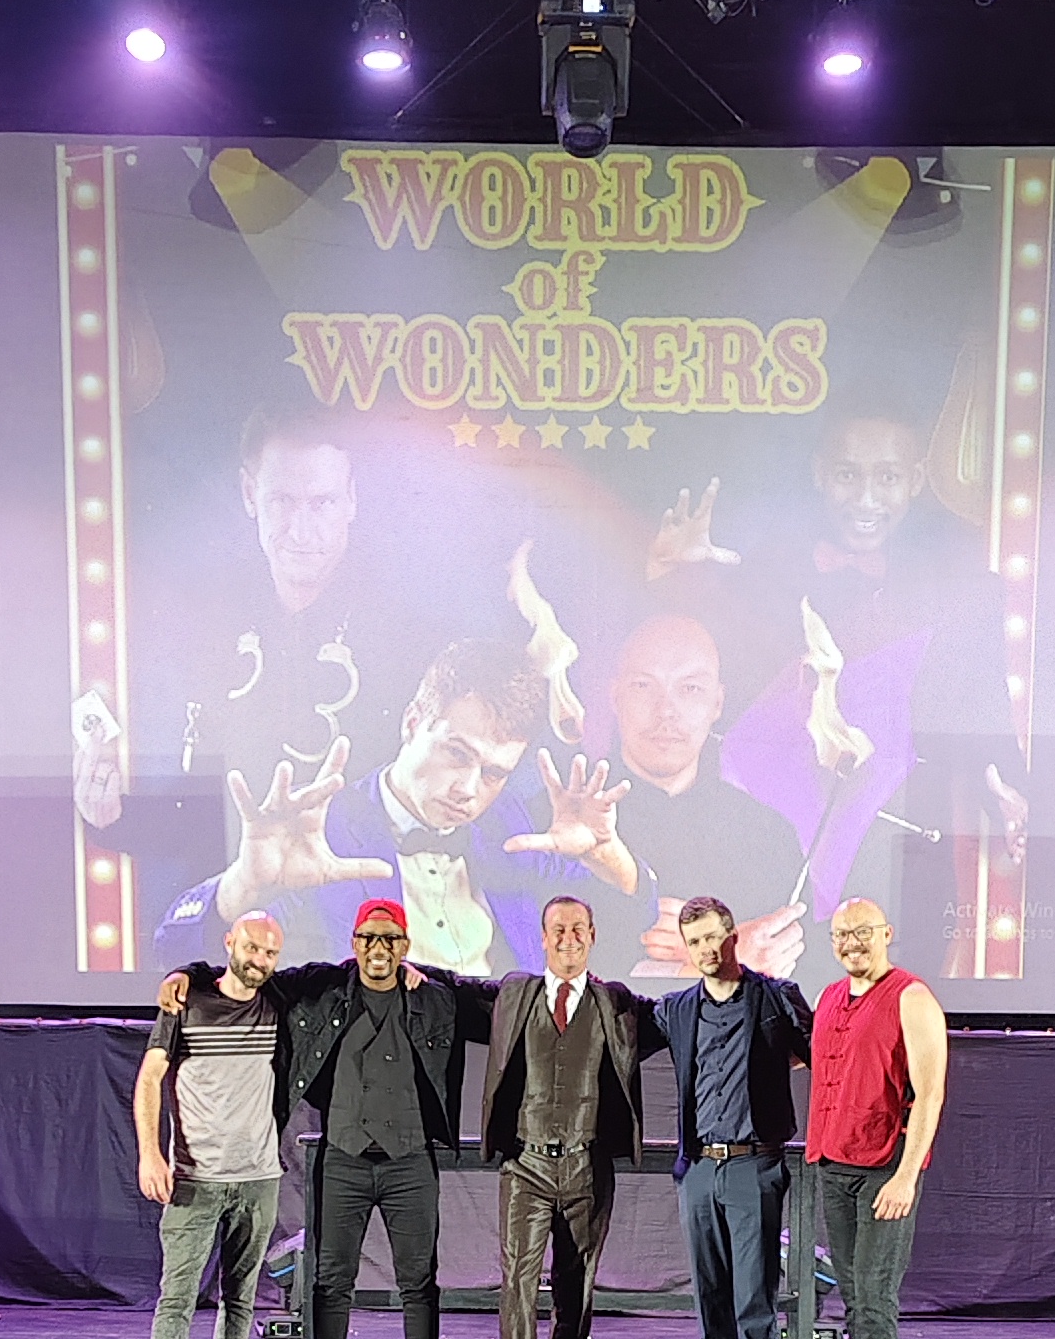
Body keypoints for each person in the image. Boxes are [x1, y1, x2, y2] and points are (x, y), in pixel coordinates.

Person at [79, 397, 401, 962]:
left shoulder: (402, 636)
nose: (301, 529)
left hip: (355, 946)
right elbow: (198, 819)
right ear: (251, 495)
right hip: (231, 946)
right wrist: (113, 820)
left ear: (352, 500)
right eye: (282, 501)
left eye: (322, 502)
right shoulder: (203, 627)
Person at [716, 406, 1027, 969]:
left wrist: (1006, 791)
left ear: (916, 478)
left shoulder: (960, 591)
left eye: (887, 477)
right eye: (847, 474)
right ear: (819, 473)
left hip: (900, 850)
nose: (866, 498)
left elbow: (985, 718)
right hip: (772, 846)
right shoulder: (763, 577)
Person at [155, 899, 473, 1339]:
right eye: (369, 938)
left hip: (409, 1159)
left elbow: (483, 996)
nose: (378, 948)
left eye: (390, 939)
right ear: (354, 943)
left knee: (418, 1281)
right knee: (330, 1280)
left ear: (405, 946)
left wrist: (426, 974)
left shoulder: (432, 998)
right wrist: (188, 971)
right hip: (342, 1156)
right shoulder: (322, 988)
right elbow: (251, 973)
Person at [161, 640, 570, 977]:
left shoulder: (510, 825)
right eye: (457, 753)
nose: (468, 789)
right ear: (413, 722)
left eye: (494, 773)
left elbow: (597, 912)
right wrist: (245, 885)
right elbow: (172, 952)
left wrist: (603, 860)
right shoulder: (323, 826)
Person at [476, 893, 667, 1339]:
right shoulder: (515, 995)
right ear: (542, 937)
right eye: (558, 929)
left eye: (578, 928)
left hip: (587, 1166)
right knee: (517, 1283)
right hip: (527, 1165)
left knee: (576, 1289)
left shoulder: (617, 1004)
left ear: (593, 936)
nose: (569, 938)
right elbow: (452, 989)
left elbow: (677, 1015)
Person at [561, 610, 808, 994]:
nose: (666, 711)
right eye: (644, 686)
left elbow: (792, 979)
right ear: (615, 696)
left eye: (690, 689)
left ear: (717, 703)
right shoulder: (564, 821)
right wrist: (710, 962)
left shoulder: (769, 835)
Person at [115, 912, 287, 1339]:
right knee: (177, 1298)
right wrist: (150, 1154)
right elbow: (150, 1078)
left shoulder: (277, 1002)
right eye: (252, 948)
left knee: (241, 1298)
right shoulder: (186, 1002)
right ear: (230, 942)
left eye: (270, 953)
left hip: (259, 1178)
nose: (260, 960)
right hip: (195, 1180)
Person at [657, 897, 814, 1339]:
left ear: (732, 938)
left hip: (754, 1162)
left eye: (711, 938)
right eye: (694, 941)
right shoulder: (676, 1009)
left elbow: (819, 1052)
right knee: (710, 1290)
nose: (704, 949)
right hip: (700, 1166)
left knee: (753, 1292)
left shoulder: (774, 997)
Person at [807, 895, 948, 1339]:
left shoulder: (911, 997)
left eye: (862, 932)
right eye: (841, 935)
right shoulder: (829, 998)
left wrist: (906, 1176)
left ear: (886, 933)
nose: (851, 944)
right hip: (834, 1167)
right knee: (854, 1299)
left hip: (884, 1171)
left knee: (873, 1300)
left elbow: (930, 1094)